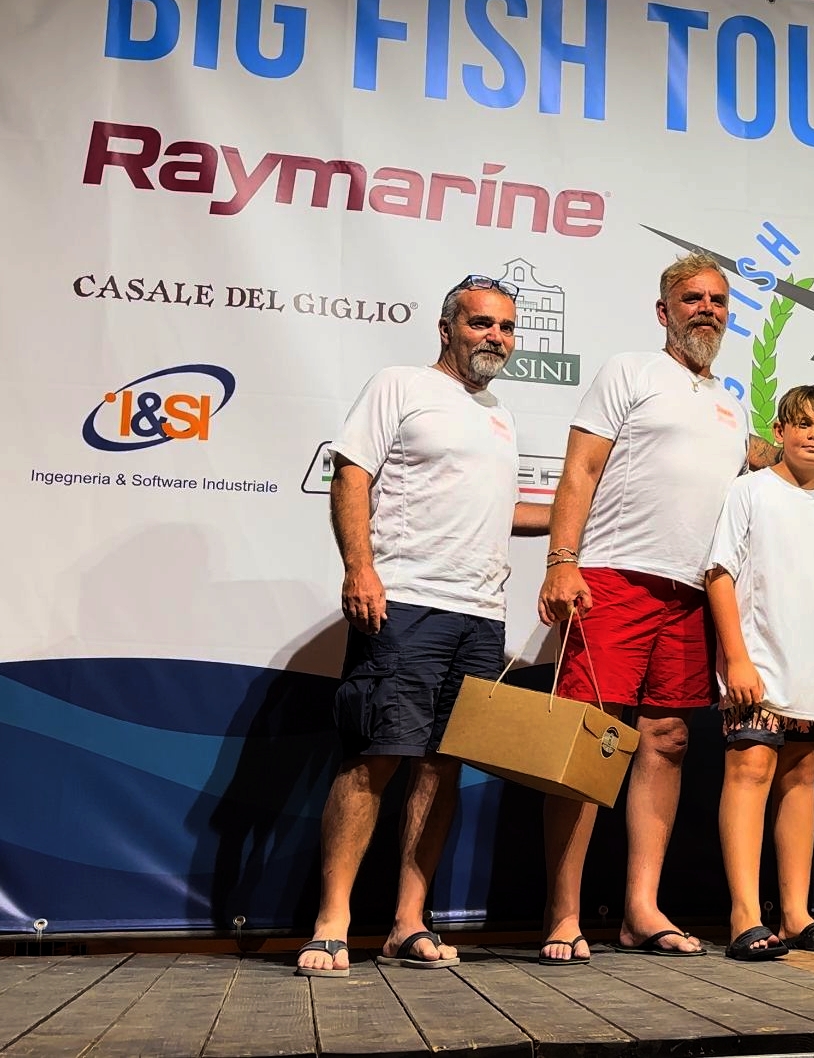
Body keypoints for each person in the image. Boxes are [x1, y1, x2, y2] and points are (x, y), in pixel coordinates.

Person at [296, 275, 550, 977]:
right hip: (405, 603)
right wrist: (360, 568)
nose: (495, 337)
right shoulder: (400, 385)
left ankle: (408, 922)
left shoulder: (499, 414)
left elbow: (501, 513)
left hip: (482, 617)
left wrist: (582, 515)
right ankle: (332, 921)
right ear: (447, 328)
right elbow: (351, 474)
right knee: (374, 757)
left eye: (505, 326)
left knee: (442, 767)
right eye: (480, 323)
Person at [534, 252, 778, 964]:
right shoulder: (629, 371)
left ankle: (640, 910)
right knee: (587, 741)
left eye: (719, 301)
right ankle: (563, 911)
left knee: (667, 740)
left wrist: (813, 477)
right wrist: (561, 560)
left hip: (692, 593)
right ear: (664, 311)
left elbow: (756, 468)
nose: (708, 310)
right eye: (693, 298)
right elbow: (581, 468)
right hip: (614, 577)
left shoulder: (731, 403)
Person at [706, 385, 814, 961]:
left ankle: (795, 914)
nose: (812, 435)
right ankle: (745, 914)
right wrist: (737, 658)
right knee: (750, 770)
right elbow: (719, 573)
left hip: (812, 665)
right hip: (758, 661)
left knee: (801, 776)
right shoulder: (750, 490)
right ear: (780, 431)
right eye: (801, 424)